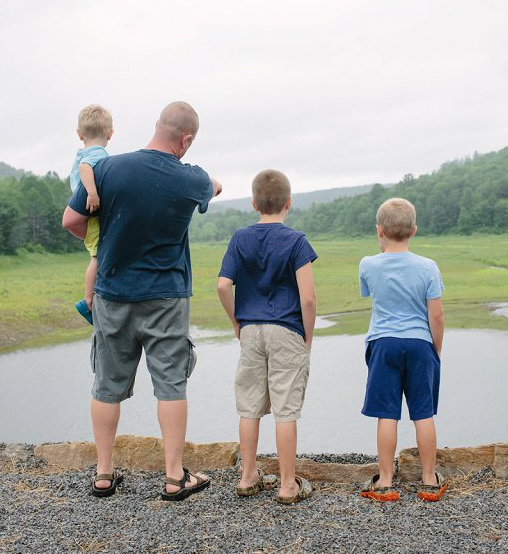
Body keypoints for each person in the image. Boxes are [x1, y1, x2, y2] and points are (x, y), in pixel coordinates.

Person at [62, 101, 222, 500]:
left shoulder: (106, 169)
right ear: (185, 139)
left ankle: (103, 474)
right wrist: (206, 184)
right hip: (166, 298)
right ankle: (173, 477)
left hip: (113, 293)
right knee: (171, 385)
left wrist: (109, 243)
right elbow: (214, 187)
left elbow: (72, 221)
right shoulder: (191, 178)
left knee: (106, 384)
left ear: (156, 126)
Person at [216, 169, 317, 505]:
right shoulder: (297, 241)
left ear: (254, 202)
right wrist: (308, 337)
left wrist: (236, 322)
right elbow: (308, 298)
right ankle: (288, 485)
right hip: (287, 329)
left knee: (249, 406)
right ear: (289, 203)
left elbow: (221, 285)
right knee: (285, 409)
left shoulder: (239, 238)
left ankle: (247, 477)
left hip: (251, 330)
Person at [357, 197, 447, 502]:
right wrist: (435, 349)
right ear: (415, 230)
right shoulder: (428, 267)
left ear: (379, 230)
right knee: (423, 414)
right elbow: (436, 315)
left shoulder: (368, 264)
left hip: (383, 344)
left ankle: (384, 482)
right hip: (421, 344)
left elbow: (372, 295)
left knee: (387, 414)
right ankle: (429, 480)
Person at [69, 104, 114, 325]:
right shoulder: (98, 153)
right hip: (93, 213)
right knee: (97, 256)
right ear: (110, 134)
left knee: (96, 254)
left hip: (87, 213)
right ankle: (88, 300)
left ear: (79, 134)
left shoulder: (82, 151)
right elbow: (86, 168)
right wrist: (93, 193)